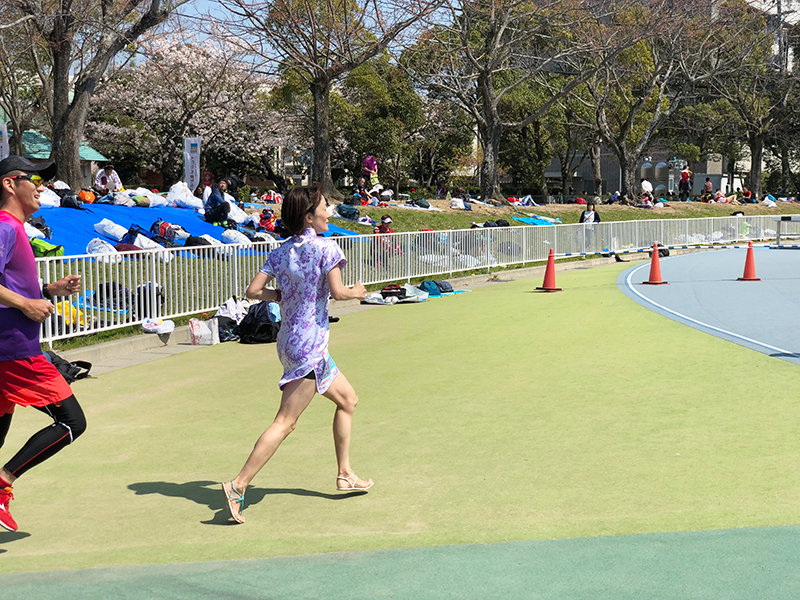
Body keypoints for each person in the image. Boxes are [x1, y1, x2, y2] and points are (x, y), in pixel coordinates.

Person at [221, 186, 372, 524]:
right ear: (309, 216)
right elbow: (338, 292)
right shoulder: (327, 248)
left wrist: (281, 296)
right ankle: (238, 484)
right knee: (285, 422)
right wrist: (357, 292)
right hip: (310, 347)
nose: (329, 213)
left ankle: (345, 473)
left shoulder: (281, 252)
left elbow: (253, 291)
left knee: (348, 400)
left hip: (289, 341)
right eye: (324, 208)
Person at [0, 156, 87, 532]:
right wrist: (26, 304)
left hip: (8, 350)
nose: (41, 187)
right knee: (72, 422)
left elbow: (11, 285)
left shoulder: (15, 228)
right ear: (9, 184)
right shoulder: (5, 227)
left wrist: (48, 291)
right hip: (15, 351)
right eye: (33, 179)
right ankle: (2, 483)